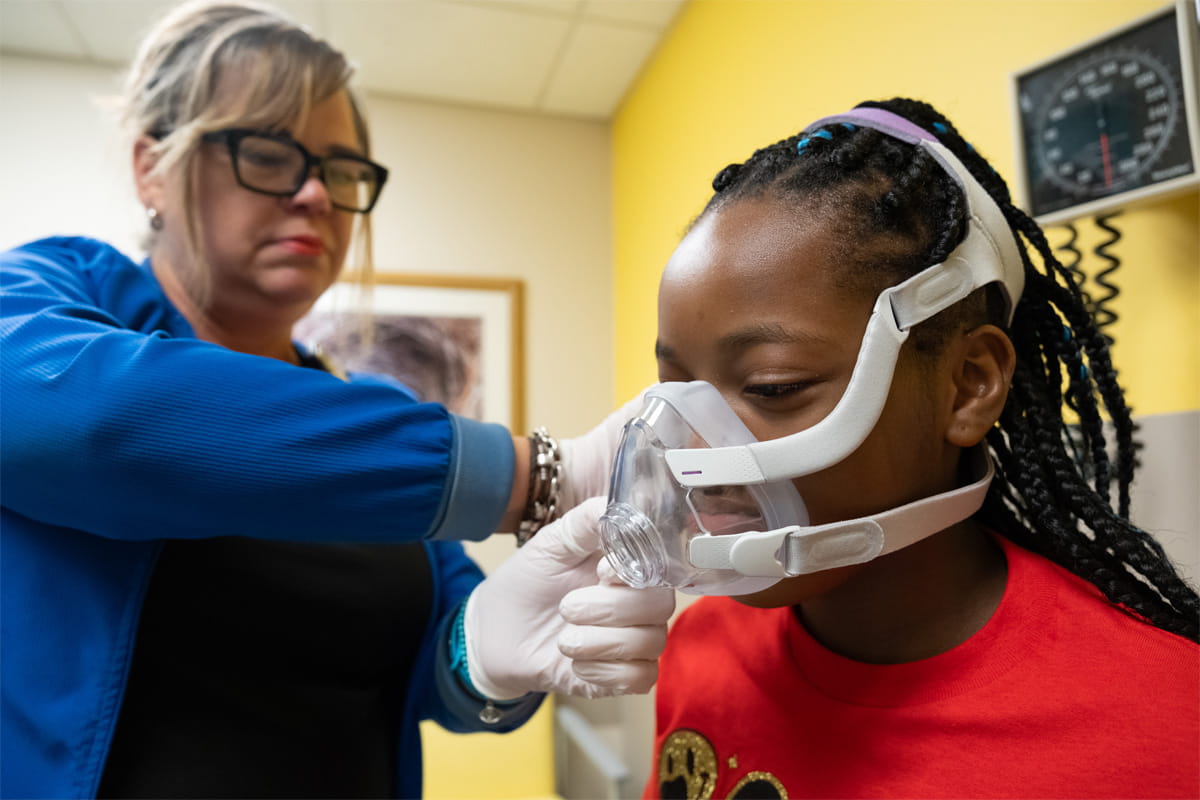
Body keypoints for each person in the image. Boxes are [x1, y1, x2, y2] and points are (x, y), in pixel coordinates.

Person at [0, 2, 674, 798]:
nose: (317, 195)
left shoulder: (376, 410)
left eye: (343, 171)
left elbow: (439, 676)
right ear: (153, 166)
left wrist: (491, 655)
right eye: (269, 153)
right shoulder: (52, 294)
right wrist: (540, 475)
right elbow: (97, 426)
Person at [595, 98, 1199, 799]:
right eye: (676, 388)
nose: (689, 451)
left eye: (771, 385)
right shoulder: (700, 647)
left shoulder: (1165, 728)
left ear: (969, 385)